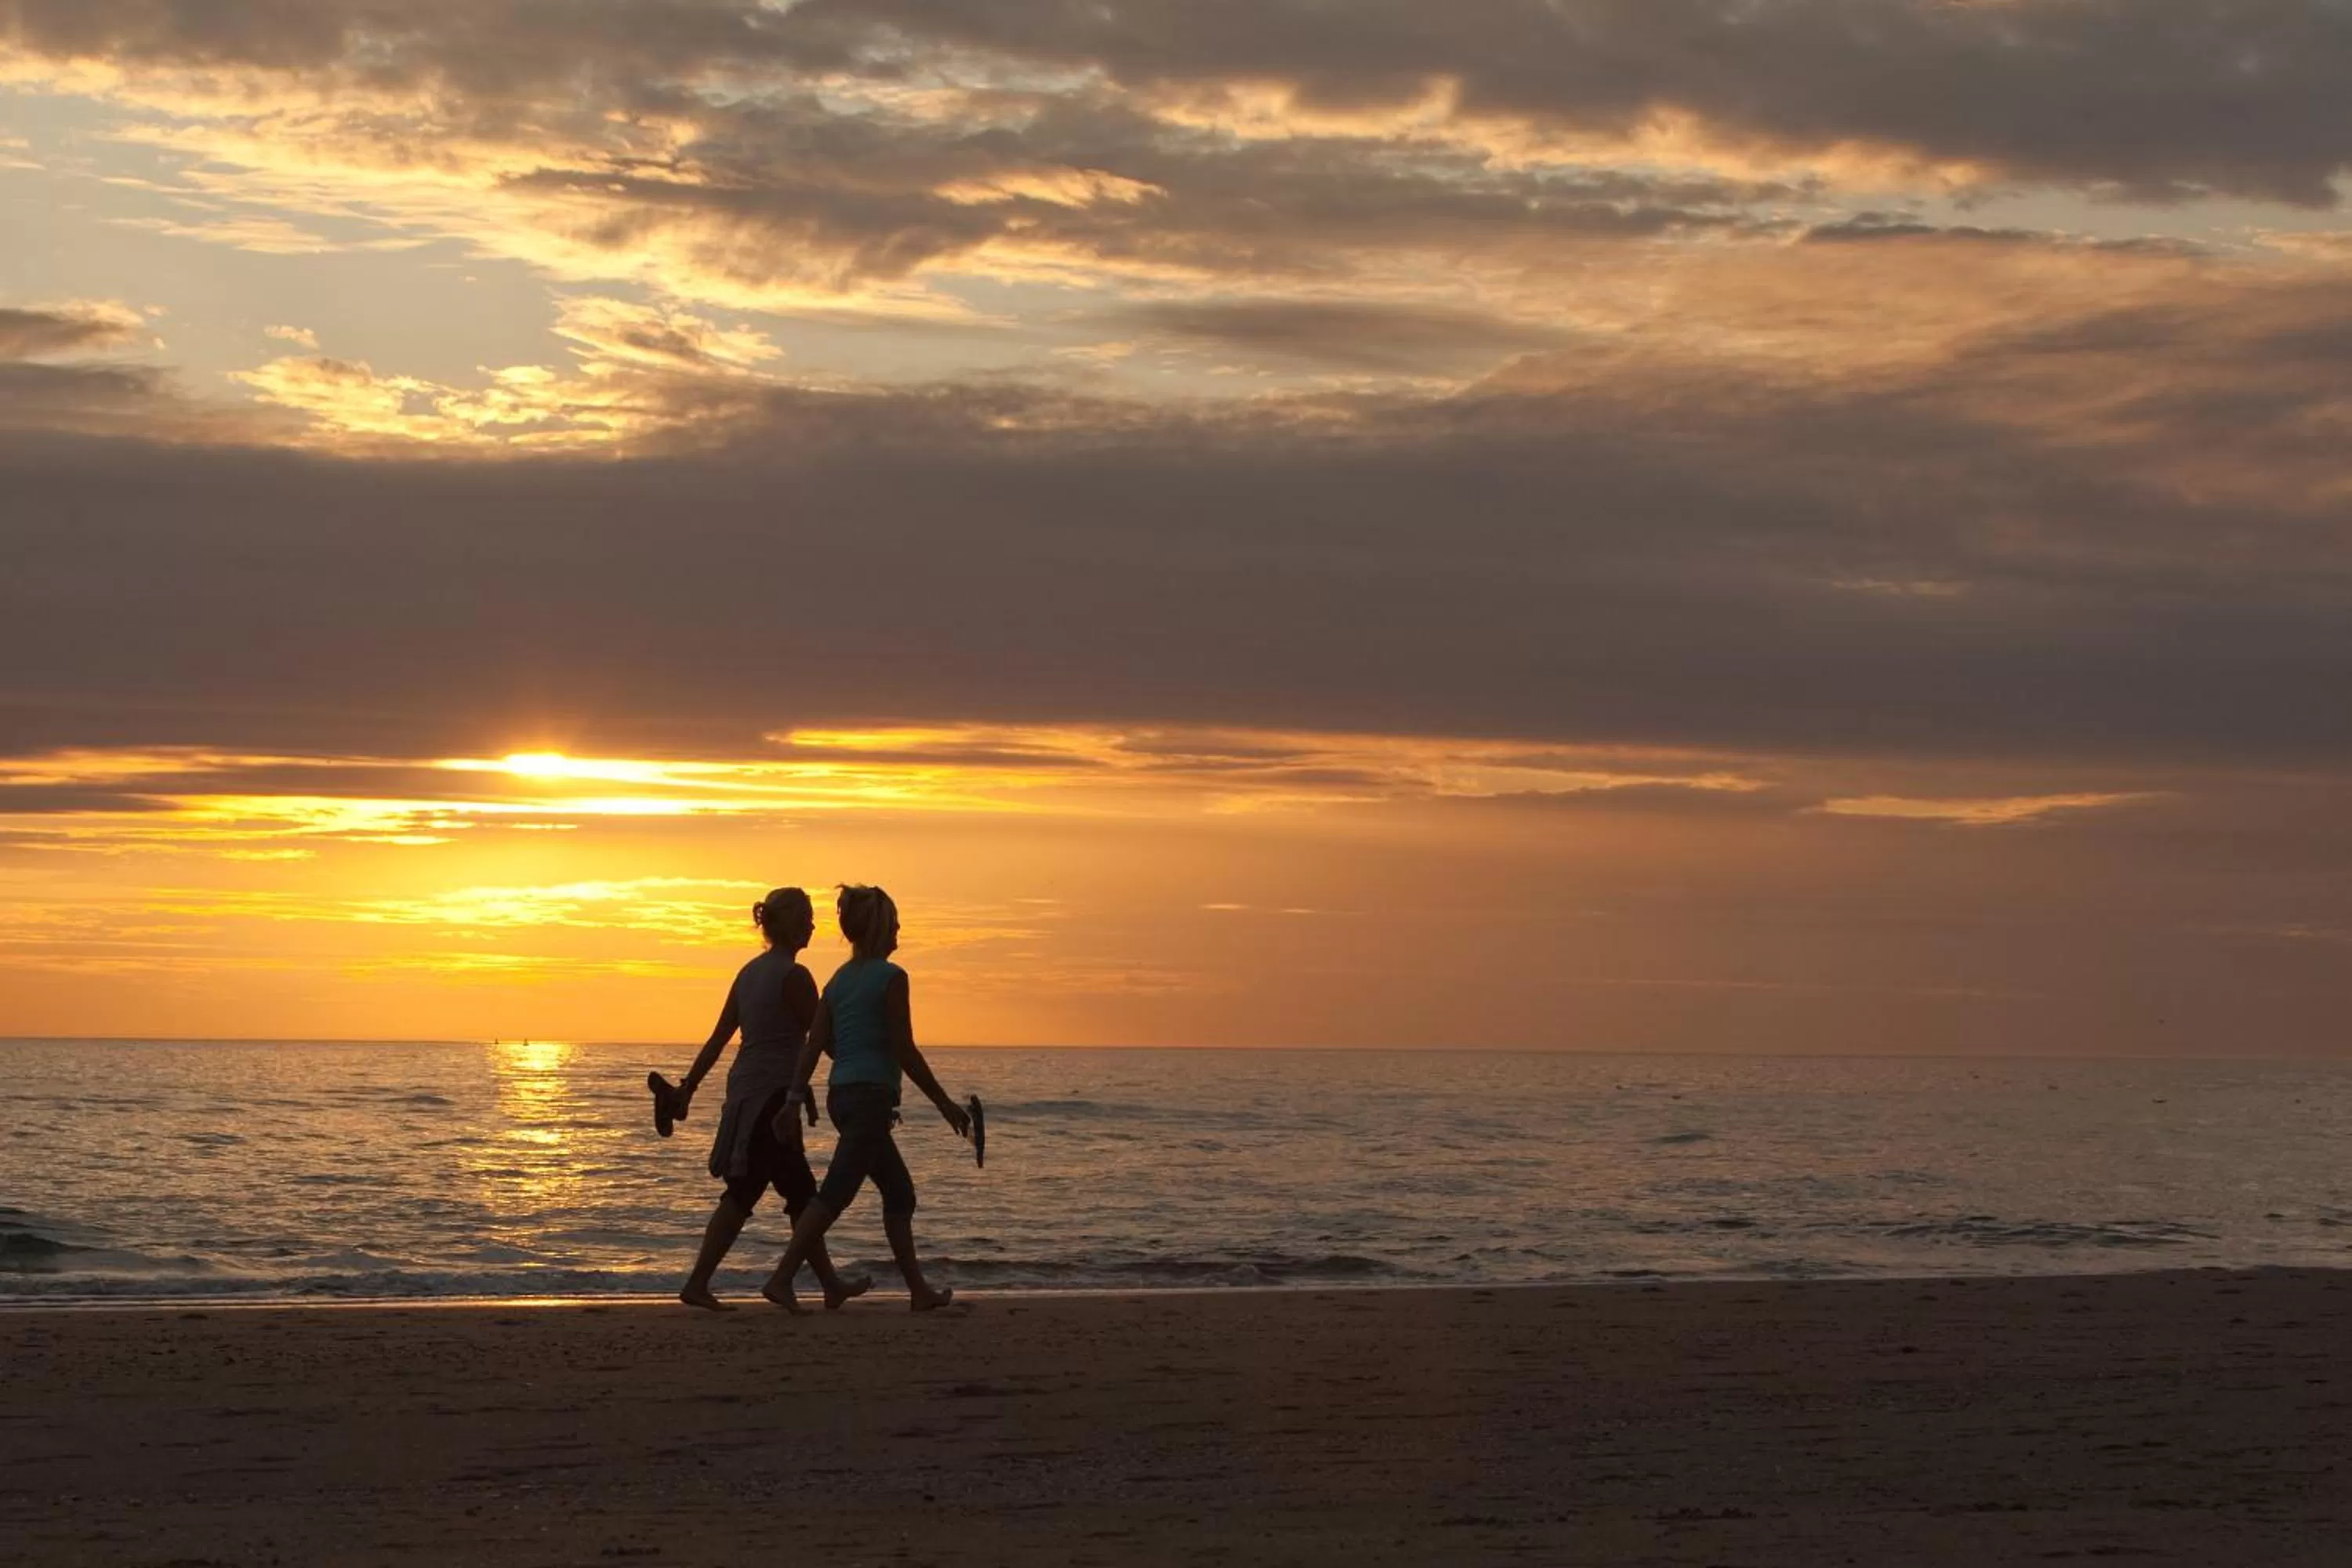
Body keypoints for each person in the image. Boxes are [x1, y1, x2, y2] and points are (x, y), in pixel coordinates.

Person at [655, 887, 870, 1312]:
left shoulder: (749, 972)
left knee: (797, 1191)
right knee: (751, 1191)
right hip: (771, 1101)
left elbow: (720, 1038)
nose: (813, 925)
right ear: (788, 924)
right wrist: (861, 1070)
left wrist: (689, 1088)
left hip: (747, 1093)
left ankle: (828, 1285)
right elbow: (822, 1040)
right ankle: (700, 1283)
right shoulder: (795, 977)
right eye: (806, 917)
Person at [760, 884, 971, 1313]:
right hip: (870, 1100)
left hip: (843, 1098)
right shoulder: (892, 978)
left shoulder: (837, 981)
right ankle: (781, 1278)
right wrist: (944, 1104)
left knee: (899, 1193)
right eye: (894, 923)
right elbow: (904, 1050)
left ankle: (919, 1292)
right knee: (835, 1193)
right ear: (880, 928)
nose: (899, 930)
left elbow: (814, 1044)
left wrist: (794, 1099)